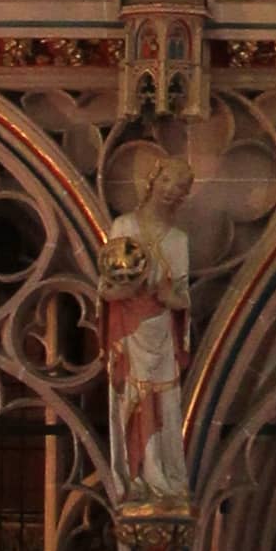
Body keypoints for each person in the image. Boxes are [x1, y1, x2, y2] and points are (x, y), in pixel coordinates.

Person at [101, 148, 192, 504]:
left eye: (181, 186)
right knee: (131, 402)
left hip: (160, 333)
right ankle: (134, 474)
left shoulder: (178, 240)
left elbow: (183, 300)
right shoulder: (125, 226)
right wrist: (127, 287)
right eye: (168, 180)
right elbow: (107, 287)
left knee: (163, 404)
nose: (172, 190)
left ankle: (162, 476)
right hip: (129, 329)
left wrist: (167, 294)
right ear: (153, 180)